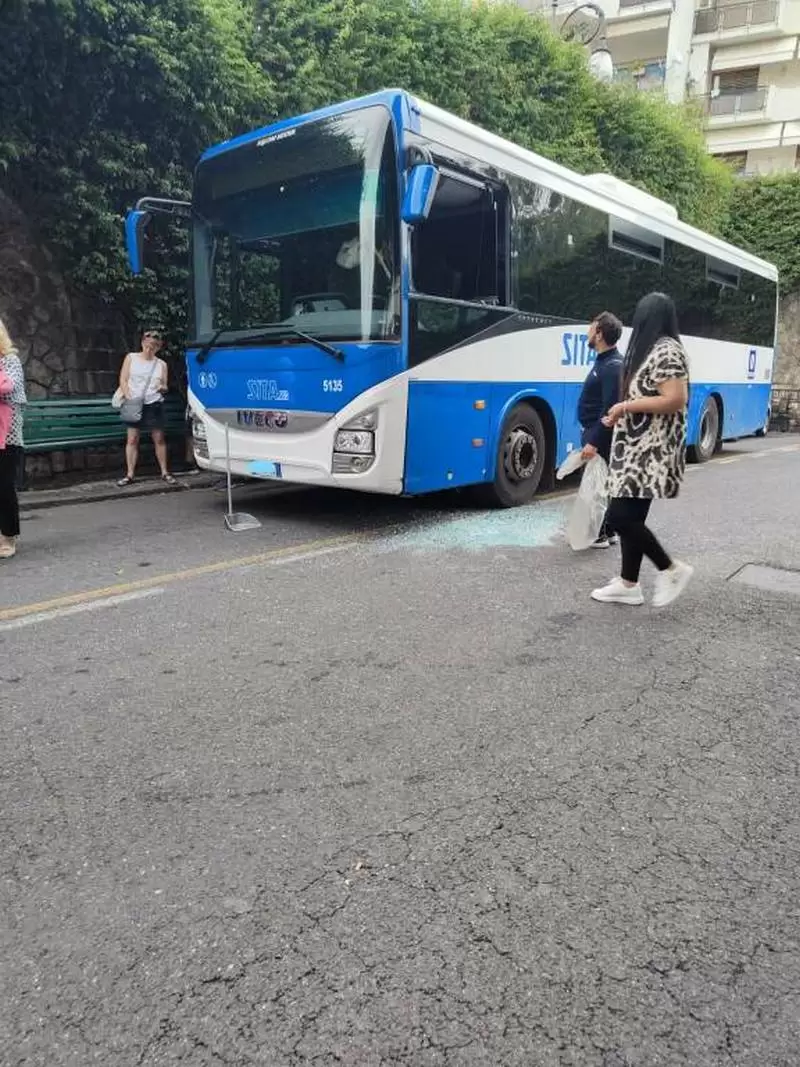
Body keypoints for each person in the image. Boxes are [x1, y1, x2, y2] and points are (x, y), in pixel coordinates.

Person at [591, 292, 694, 608]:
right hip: (635, 452)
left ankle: (671, 569)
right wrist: (620, 414)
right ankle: (628, 584)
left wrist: (624, 405)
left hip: (650, 454)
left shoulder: (667, 350)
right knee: (628, 518)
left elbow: (676, 398)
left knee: (620, 518)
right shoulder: (653, 350)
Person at [577, 311, 624, 548]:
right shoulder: (607, 362)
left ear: (600, 333)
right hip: (597, 431)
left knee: (599, 485)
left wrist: (593, 441)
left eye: (591, 327)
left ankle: (600, 534)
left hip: (601, 435)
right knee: (603, 482)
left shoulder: (612, 366)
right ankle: (609, 529)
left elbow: (610, 410)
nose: (587, 331)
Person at [117, 329, 177, 487]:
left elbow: (165, 386)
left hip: (154, 403)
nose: (150, 349)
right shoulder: (131, 358)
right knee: (132, 439)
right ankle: (129, 474)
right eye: (148, 345)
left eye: (154, 346)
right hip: (134, 402)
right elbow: (123, 379)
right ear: (142, 343)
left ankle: (165, 472)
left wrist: (161, 387)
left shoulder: (161, 364)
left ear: (158, 347)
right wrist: (129, 396)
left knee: (159, 438)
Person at [0, 316, 27, 559]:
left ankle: (8, 536)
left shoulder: (10, 361)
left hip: (7, 435)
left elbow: (9, 388)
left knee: (4, 485)